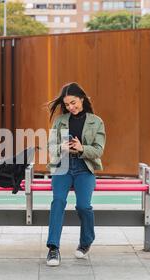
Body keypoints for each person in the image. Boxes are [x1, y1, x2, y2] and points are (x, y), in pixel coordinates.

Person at [45, 82, 106, 267]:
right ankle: (53, 248)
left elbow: (98, 150)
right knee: (58, 201)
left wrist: (81, 148)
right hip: (63, 166)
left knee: (83, 206)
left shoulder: (96, 121)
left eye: (74, 102)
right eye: (67, 105)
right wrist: (61, 147)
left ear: (82, 99)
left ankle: (86, 241)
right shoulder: (60, 121)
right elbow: (50, 147)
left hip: (84, 167)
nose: (71, 107)